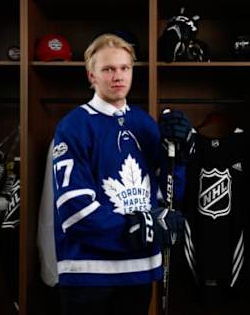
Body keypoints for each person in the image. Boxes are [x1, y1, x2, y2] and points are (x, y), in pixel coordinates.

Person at [51, 33, 193, 315]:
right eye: (108, 69)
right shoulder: (74, 127)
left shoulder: (145, 124)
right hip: (90, 274)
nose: (118, 76)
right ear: (91, 75)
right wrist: (137, 227)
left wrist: (179, 155)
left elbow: (167, 196)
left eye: (124, 68)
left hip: (140, 271)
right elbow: (73, 211)